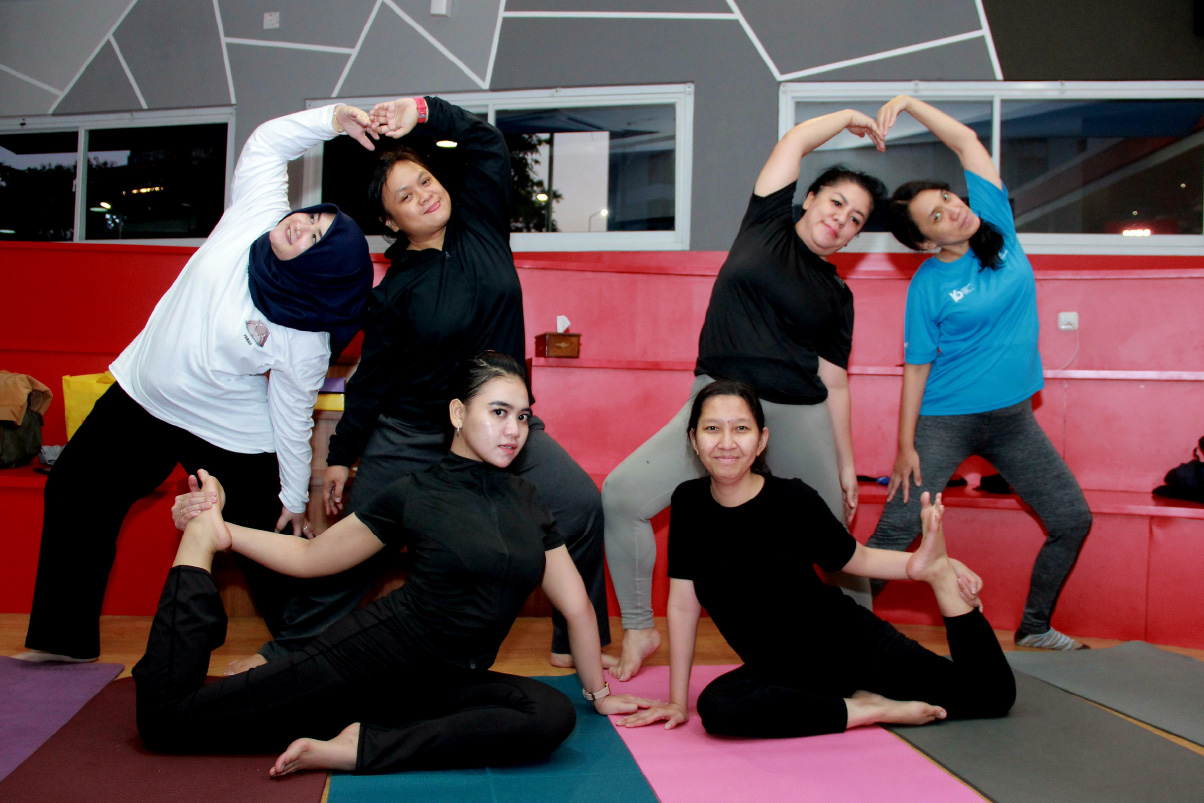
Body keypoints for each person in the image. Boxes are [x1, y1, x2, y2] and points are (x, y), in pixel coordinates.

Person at [139, 352, 654, 776]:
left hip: (445, 685)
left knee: (550, 715)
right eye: (498, 412)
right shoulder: (415, 492)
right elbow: (312, 556)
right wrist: (225, 534)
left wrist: (599, 694)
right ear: (458, 414)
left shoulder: (529, 501)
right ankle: (201, 540)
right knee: (167, 722)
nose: (513, 429)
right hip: (360, 665)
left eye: (522, 416)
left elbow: (577, 608)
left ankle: (360, 747)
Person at [242, 94, 610, 672]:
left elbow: (486, 144)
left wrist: (422, 111)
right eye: (405, 196)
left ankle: (573, 642)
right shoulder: (392, 293)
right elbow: (372, 381)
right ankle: (285, 652)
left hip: (500, 423)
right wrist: (341, 455)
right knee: (357, 550)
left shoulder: (481, 227)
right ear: (392, 222)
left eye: (425, 181)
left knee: (580, 506)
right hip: (413, 435)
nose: (424, 195)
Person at [18, 103, 378, 664]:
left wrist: (290, 497)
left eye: (316, 239)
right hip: (145, 398)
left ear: (322, 272)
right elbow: (266, 144)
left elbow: (291, 414)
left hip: (228, 426)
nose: (301, 226)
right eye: (312, 218)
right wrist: (331, 120)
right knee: (75, 491)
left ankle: (310, 657)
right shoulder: (256, 217)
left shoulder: (305, 337)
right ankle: (62, 644)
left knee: (271, 538)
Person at [602, 110, 888, 680]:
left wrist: (846, 464)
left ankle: (871, 659)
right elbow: (795, 140)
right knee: (622, 495)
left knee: (837, 549)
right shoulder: (765, 224)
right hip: (718, 403)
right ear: (809, 198)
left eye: (855, 219)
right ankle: (639, 629)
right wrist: (848, 118)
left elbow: (834, 381)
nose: (842, 220)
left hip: (796, 412)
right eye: (837, 203)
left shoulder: (838, 296)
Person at [617, 380, 1015, 737]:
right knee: (717, 708)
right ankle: (864, 710)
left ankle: (942, 584)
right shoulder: (688, 503)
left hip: (849, 647)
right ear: (693, 439)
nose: (726, 442)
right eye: (712, 429)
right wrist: (676, 701)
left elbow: (857, 559)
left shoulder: (793, 499)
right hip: (780, 671)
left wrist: (922, 569)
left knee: (991, 695)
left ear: (761, 440)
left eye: (740, 428)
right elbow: (683, 604)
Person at [865, 96, 1093, 651]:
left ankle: (1035, 627)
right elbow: (916, 367)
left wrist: (911, 102)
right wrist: (905, 446)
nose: (953, 211)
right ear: (925, 242)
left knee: (1071, 518)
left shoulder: (998, 228)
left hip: (1013, 419)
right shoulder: (928, 284)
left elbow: (967, 142)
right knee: (897, 531)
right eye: (936, 216)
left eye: (947, 198)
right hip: (945, 421)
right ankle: (833, 633)